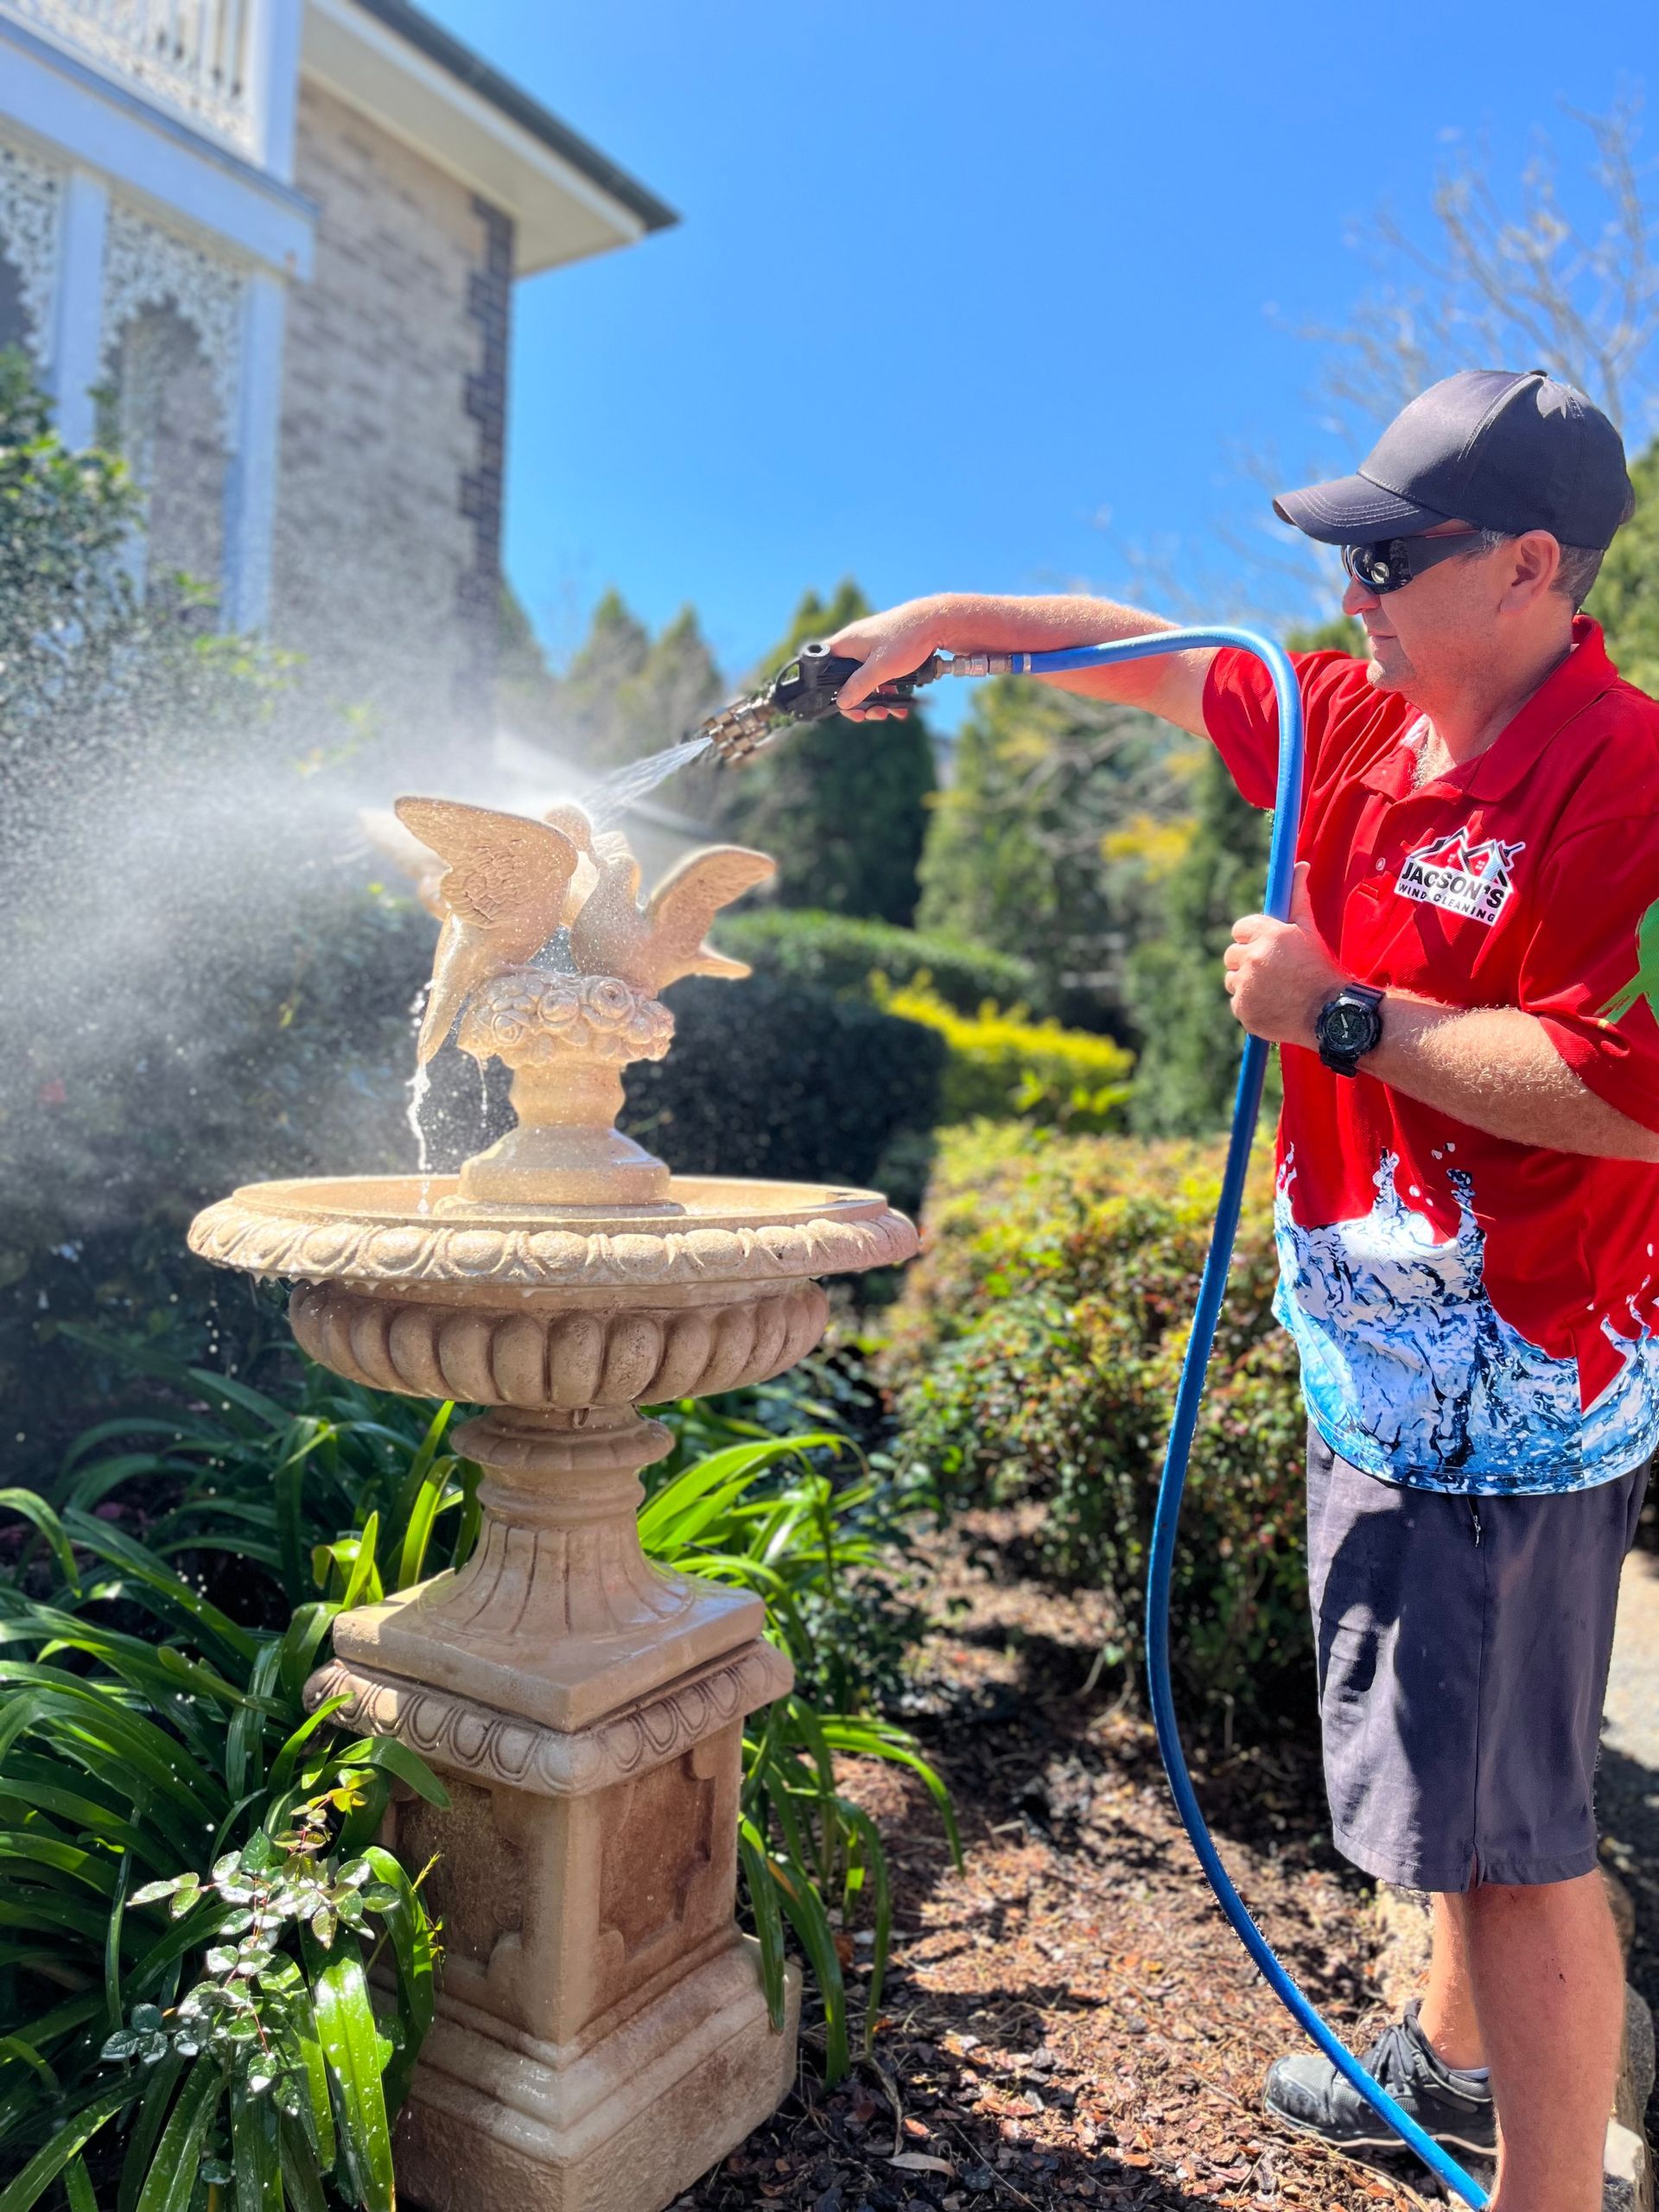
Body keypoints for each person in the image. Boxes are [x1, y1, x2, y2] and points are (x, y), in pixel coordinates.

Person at [827, 368, 1654, 2212]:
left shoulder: (1633, 777)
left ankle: (1545, 2194)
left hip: (1514, 1395)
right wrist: (943, 625)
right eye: (1345, 544)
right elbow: (1160, 649)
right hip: (1383, 1365)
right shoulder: (1360, 709)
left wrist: (1340, 1013)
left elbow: (1627, 1089)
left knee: (1517, 1837)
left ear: (1531, 566)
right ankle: (1432, 2064)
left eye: (1391, 548)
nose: (1349, 581)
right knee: (1458, 1791)